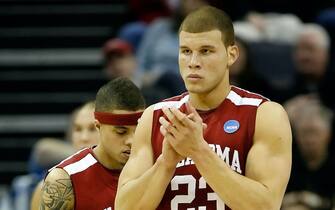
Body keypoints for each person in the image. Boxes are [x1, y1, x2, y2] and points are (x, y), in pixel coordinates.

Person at [115, 6, 292, 210]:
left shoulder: (264, 114)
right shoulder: (155, 117)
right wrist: (166, 163)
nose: (193, 62)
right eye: (186, 52)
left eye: (205, 51)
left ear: (232, 54)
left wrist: (199, 151)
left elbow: (265, 206)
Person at [39, 77, 146, 210]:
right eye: (121, 132)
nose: (131, 141)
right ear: (98, 126)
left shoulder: (159, 167)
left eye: (138, 130)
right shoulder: (64, 180)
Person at [29, 101, 99, 210]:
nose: (84, 138)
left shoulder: (125, 179)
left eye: (92, 129)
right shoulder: (50, 187)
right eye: (78, 129)